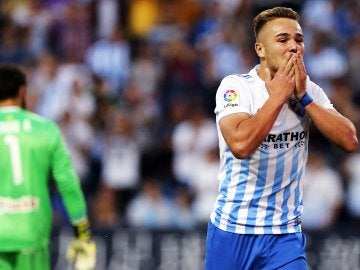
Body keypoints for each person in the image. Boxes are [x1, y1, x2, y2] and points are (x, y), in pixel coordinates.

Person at [205, 6, 358, 270]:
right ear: (260, 50)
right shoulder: (236, 87)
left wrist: (305, 100)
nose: (293, 47)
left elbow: (349, 140)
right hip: (232, 229)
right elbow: (241, 145)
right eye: (283, 40)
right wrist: (278, 96)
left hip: (284, 235)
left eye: (298, 39)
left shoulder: (309, 89)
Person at [0, 64, 96, 270]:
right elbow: (68, 184)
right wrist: (82, 233)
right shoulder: (45, 129)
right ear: (22, 91)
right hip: (31, 231)